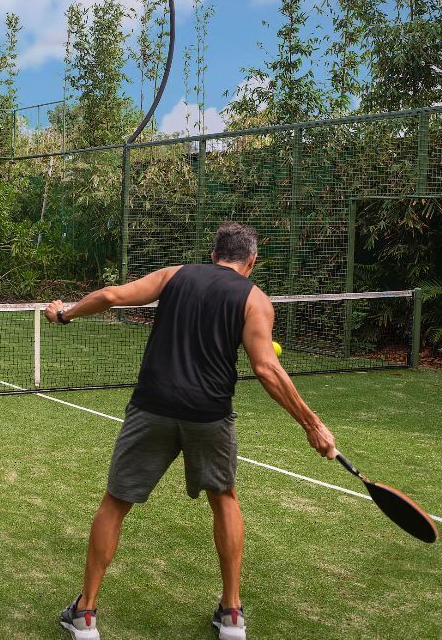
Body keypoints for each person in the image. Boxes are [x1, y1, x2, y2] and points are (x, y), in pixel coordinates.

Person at [46, 222, 337, 640]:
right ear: (250, 261)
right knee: (224, 500)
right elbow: (266, 367)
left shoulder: (175, 274)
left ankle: (85, 614)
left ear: (214, 251)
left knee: (116, 502)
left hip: (153, 406)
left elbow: (110, 296)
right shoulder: (255, 299)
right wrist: (313, 425)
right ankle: (232, 614)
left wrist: (64, 313)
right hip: (209, 415)